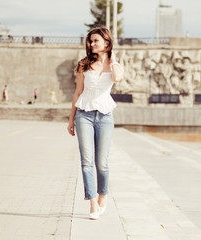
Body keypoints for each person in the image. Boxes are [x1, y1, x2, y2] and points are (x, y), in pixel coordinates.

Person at [67, 27, 124, 220]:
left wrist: (112, 58)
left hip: (105, 116)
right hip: (84, 115)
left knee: (102, 163)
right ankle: (92, 202)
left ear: (106, 43)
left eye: (96, 41)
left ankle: (103, 195)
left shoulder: (114, 66)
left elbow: (117, 78)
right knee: (86, 161)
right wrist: (71, 119)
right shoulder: (84, 65)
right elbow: (77, 92)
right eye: (90, 41)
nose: (91, 44)